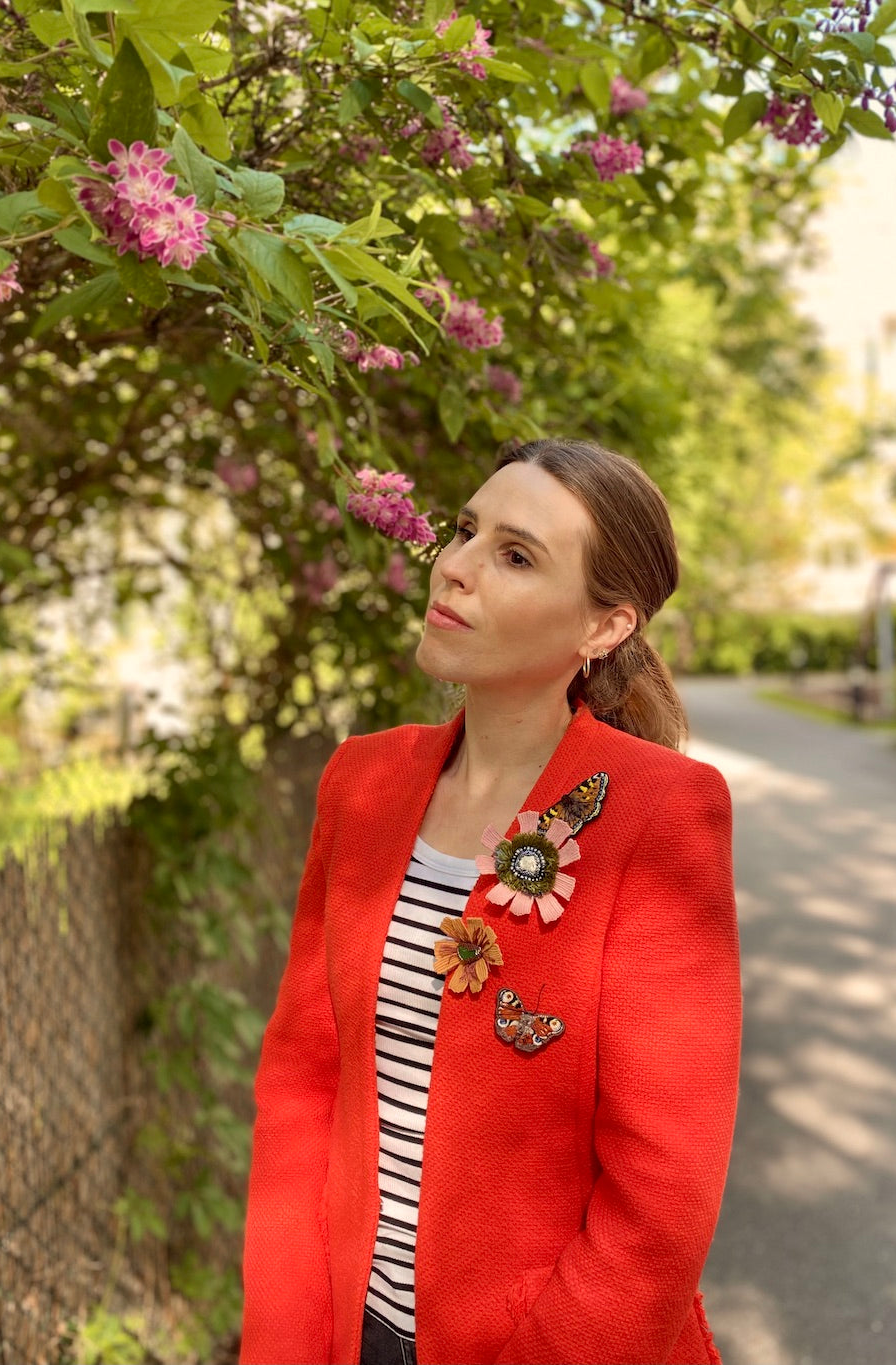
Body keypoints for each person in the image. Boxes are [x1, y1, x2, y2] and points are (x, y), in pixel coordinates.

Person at [240, 437, 741, 1365]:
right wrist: (281, 1343)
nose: (456, 567)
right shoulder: (362, 781)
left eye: (515, 555)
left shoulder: (660, 813)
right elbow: (304, 1087)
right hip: (352, 1334)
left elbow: (659, 1203)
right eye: (465, 530)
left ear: (605, 628)